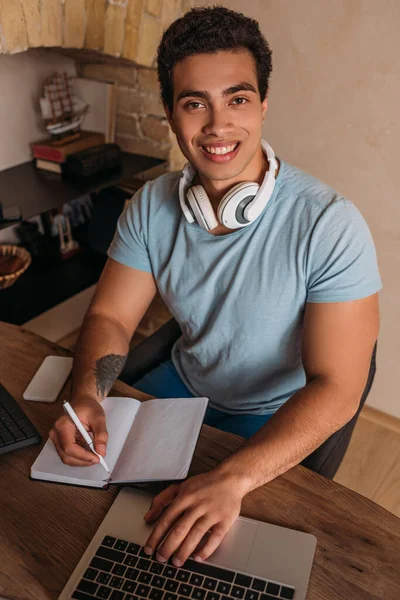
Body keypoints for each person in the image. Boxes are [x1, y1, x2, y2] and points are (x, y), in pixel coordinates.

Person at [49, 6, 381, 569]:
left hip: (275, 410)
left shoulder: (330, 223)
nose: (218, 125)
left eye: (238, 98)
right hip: (180, 389)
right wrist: (90, 393)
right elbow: (111, 318)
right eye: (195, 102)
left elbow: (340, 387)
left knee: (205, 555)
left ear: (264, 105)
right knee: (78, 511)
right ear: (171, 115)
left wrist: (233, 479)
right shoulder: (149, 207)